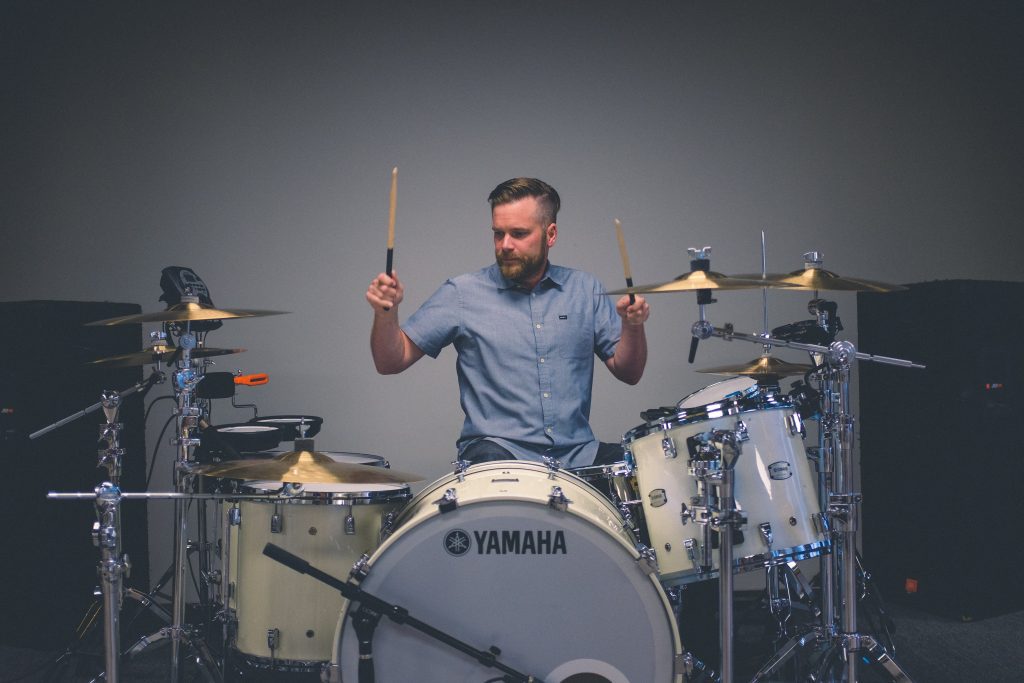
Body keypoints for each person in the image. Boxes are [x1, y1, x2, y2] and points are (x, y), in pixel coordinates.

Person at [365, 177, 650, 468]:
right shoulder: (462, 293)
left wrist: (633, 326)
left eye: (519, 233)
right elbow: (391, 361)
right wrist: (385, 313)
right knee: (494, 473)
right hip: (498, 453)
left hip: (577, 454)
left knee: (642, 470)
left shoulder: (585, 290)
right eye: (498, 234)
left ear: (550, 234)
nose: (505, 245)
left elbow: (629, 372)